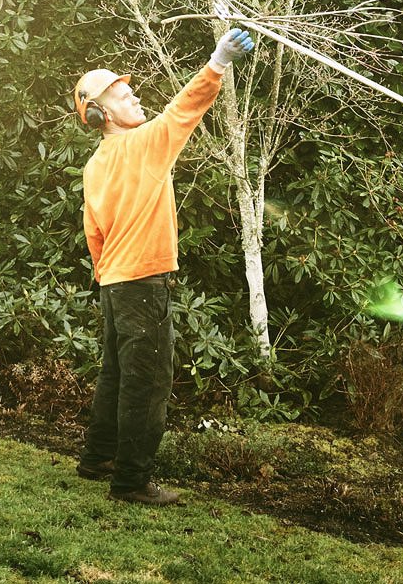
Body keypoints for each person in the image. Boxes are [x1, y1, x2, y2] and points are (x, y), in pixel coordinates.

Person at [71, 28, 255, 506]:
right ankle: (131, 481)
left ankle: (98, 458)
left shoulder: (95, 164)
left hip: (113, 283)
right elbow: (186, 108)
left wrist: (106, 275)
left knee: (115, 373)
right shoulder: (147, 143)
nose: (137, 101)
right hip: (143, 283)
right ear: (100, 113)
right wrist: (218, 62)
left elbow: (94, 233)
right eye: (125, 97)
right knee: (147, 383)